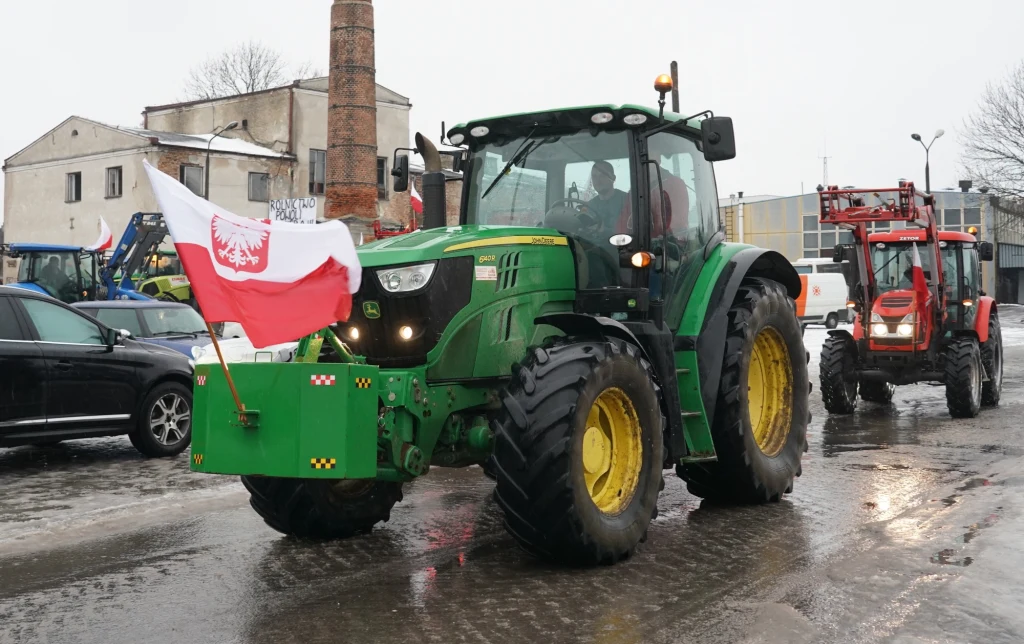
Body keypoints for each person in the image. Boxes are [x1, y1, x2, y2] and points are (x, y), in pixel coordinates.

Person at [584, 161, 628, 236]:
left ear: (613, 178)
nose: (598, 180)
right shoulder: (590, 206)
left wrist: (604, 230)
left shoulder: (628, 200)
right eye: (594, 176)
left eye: (602, 175)